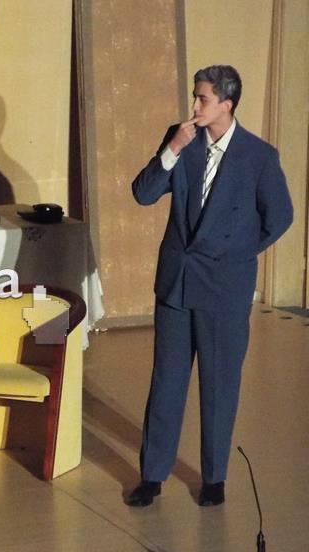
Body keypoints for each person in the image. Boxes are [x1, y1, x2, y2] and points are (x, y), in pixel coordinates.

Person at [128, 65, 292, 508]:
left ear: (227, 104)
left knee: (219, 385)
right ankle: (152, 476)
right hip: (177, 284)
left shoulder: (259, 156)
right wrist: (172, 149)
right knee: (166, 382)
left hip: (224, 287)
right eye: (195, 96)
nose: (195, 105)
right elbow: (143, 194)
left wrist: (235, 253)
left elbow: (280, 217)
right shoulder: (181, 139)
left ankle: (214, 477)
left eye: (202, 98)